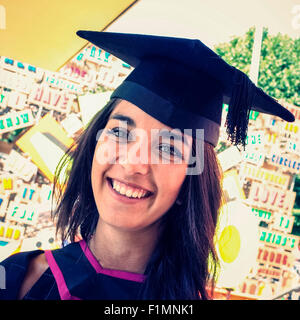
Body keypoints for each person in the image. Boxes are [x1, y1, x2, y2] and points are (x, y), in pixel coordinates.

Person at [0, 31, 294, 300]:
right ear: (93, 147)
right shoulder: (14, 279)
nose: (133, 163)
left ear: (189, 182)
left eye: (168, 148)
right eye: (119, 132)